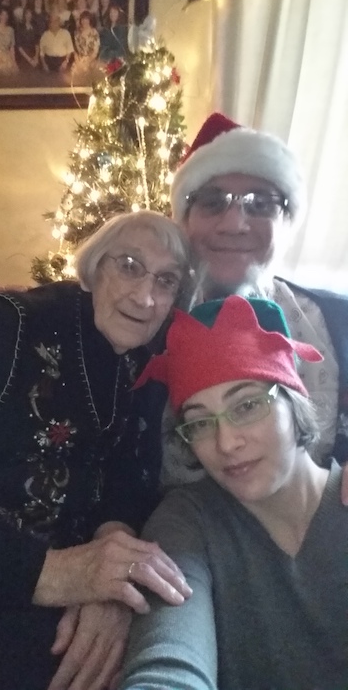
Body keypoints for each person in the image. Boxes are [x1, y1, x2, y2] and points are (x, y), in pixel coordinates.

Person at [0, 211, 194, 690]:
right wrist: (59, 573)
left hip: (63, 612)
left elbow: (130, 473)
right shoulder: (14, 327)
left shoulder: (148, 357)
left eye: (165, 281)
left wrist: (110, 574)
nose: (145, 297)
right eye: (128, 265)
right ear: (94, 267)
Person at [120, 294, 348, 689]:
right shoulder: (186, 523)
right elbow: (167, 661)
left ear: (293, 401)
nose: (226, 443)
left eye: (246, 406)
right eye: (201, 423)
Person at [163, 111, 348, 485]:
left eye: (260, 203)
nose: (234, 223)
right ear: (184, 219)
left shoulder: (339, 321)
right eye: (213, 202)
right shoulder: (143, 324)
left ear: (287, 222)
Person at [0, 7, 19, 76]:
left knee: (13, 73)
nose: (4, 17)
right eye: (2, 14)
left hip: (7, 57)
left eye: (6, 15)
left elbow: (12, 48)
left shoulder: (10, 30)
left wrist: (14, 61)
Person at [72, 10, 100, 80]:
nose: (85, 21)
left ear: (90, 20)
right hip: (80, 59)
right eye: (83, 19)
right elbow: (75, 50)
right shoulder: (77, 33)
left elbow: (95, 51)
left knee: (86, 70)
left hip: (91, 59)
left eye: (87, 19)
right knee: (74, 71)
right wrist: (78, 60)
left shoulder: (94, 33)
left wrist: (88, 61)